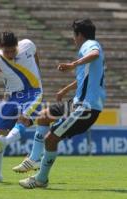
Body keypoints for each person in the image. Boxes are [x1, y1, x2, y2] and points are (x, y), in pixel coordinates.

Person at [19, 18, 106, 189]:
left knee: (50, 139)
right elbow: (86, 77)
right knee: (43, 117)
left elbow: (94, 53)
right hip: (75, 102)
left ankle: (41, 179)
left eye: (74, 35)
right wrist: (66, 89)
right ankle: (34, 159)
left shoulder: (90, 45)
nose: (73, 39)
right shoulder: (88, 50)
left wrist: (73, 64)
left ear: (79, 35)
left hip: (85, 108)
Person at [0, 31, 43, 184]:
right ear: (0, 47)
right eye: (7, 51)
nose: (11, 54)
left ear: (17, 45)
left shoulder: (27, 44)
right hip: (13, 97)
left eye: (13, 50)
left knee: (24, 119)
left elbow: (35, 53)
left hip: (33, 92)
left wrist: (38, 73)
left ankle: (5, 142)